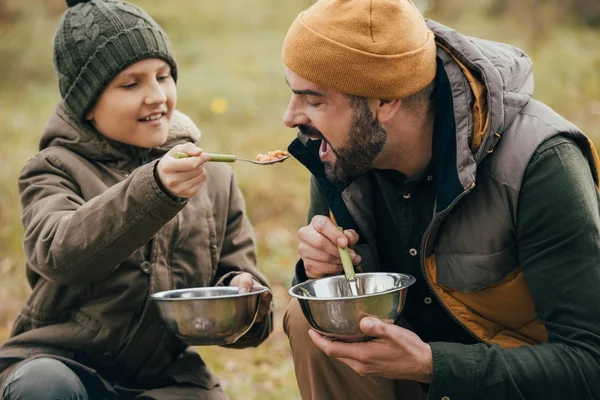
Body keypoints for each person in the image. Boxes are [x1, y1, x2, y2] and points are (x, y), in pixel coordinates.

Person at [280, 0, 600, 399]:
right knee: (311, 322)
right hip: (412, 382)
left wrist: (433, 365)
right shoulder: (342, 155)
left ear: (384, 101)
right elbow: (344, 300)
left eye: (313, 101)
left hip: (514, 384)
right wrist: (318, 270)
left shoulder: (540, 163)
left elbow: (589, 362)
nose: (290, 117)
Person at [0, 0, 273, 399]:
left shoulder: (214, 179)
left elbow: (251, 325)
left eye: (163, 76)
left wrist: (245, 295)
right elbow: (59, 252)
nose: (156, 96)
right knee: (44, 386)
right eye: (131, 84)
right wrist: (154, 190)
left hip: (163, 378)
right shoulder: (53, 169)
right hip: (62, 364)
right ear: (88, 105)